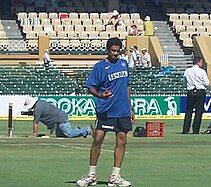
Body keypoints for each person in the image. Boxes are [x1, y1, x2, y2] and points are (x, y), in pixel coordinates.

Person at [76, 37, 135, 187]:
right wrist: (100, 95)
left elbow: (127, 87)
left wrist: (131, 108)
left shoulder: (124, 64)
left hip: (122, 111)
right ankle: (91, 175)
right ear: (107, 50)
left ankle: (115, 177)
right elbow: (90, 87)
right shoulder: (99, 67)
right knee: (97, 140)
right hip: (106, 111)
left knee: (122, 141)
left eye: (118, 51)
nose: (116, 54)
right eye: (113, 51)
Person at [23, 96, 94, 138]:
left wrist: (35, 134)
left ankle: (86, 130)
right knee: (60, 135)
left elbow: (36, 122)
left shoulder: (37, 109)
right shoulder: (41, 102)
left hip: (60, 119)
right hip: (60, 117)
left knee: (69, 134)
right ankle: (78, 130)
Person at [181, 57, 209, 134]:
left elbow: (184, 82)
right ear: (198, 62)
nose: (202, 64)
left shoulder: (187, 71)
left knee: (189, 111)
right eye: (201, 62)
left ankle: (185, 130)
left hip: (190, 91)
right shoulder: (202, 71)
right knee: (198, 112)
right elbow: (206, 83)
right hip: (200, 91)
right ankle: (195, 130)